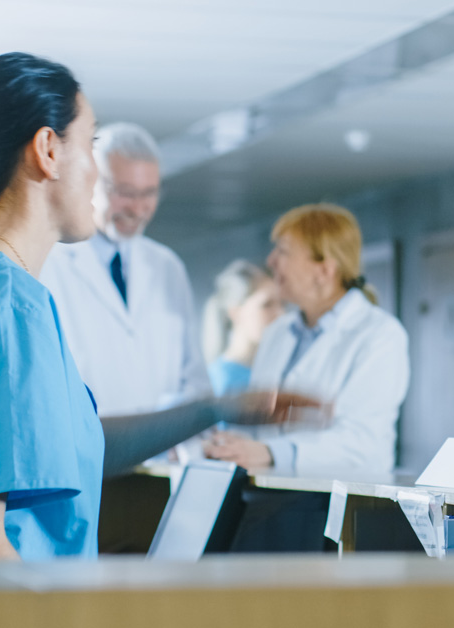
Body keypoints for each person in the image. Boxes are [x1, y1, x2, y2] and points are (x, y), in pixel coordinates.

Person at [0, 53, 314, 560]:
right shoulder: (5, 302)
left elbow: (78, 445)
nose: (92, 172)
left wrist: (213, 408)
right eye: (90, 144)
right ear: (47, 150)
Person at [204, 203, 409, 474]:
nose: (271, 261)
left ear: (324, 270)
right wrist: (235, 445)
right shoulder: (279, 332)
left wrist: (268, 453)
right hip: (270, 493)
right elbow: (266, 425)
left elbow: (362, 443)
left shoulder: (380, 334)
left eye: (283, 251)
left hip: (338, 501)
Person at [38, 121, 208, 416]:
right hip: (86, 452)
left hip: (161, 453)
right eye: (125, 192)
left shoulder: (167, 267)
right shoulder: (50, 262)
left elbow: (194, 378)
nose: (138, 208)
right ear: (90, 181)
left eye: (149, 193)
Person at [202, 260, 286, 396]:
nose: (281, 314)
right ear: (235, 312)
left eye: (282, 304)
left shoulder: (276, 370)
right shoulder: (218, 384)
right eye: (267, 305)